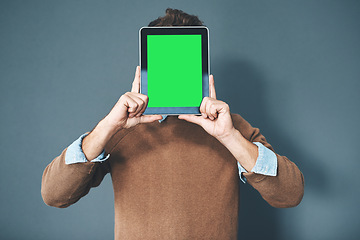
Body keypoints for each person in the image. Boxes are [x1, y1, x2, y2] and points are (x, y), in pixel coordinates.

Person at [41, 8, 304, 240]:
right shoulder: (119, 129)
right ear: (146, 69)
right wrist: (109, 125)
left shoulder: (231, 127)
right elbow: (54, 194)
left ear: (201, 66)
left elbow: (290, 194)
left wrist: (229, 137)